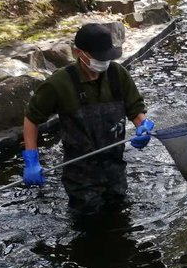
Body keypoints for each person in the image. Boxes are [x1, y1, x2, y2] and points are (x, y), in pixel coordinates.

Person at [21, 23, 154, 214]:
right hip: (80, 176)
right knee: (88, 223)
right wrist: (32, 160)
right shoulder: (59, 84)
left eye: (107, 56)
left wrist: (143, 127)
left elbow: (135, 109)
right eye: (98, 57)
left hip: (115, 169)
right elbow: (32, 118)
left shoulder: (118, 75)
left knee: (119, 216)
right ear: (78, 53)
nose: (104, 62)